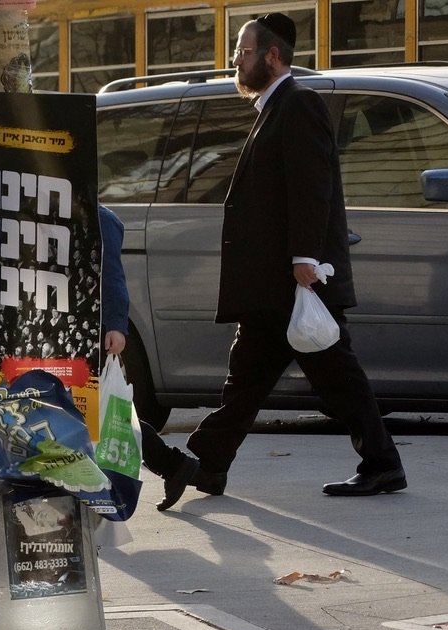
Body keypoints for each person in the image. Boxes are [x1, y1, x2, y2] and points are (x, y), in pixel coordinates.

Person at [149, 12, 405, 510]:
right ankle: (209, 465)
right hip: (272, 282)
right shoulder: (273, 109)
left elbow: (313, 188)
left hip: (294, 279)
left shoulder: (299, 104)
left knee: (334, 377)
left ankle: (381, 463)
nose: (234, 62)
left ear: (272, 55)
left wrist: (305, 258)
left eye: (242, 53)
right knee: (248, 379)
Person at [99, 205, 200, 508]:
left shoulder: (101, 220)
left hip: (91, 330)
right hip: (59, 330)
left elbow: (113, 277)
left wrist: (116, 324)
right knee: (98, 415)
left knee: (101, 415)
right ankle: (174, 465)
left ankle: (172, 464)